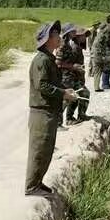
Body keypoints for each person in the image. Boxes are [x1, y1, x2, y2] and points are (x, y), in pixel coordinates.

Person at [27, 20, 79, 195]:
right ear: (48, 39)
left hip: (48, 111)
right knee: (39, 150)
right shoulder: (42, 60)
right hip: (42, 112)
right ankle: (32, 186)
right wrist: (63, 94)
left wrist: (65, 90)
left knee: (46, 150)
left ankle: (38, 182)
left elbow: (52, 83)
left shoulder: (48, 58)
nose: (59, 37)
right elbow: (43, 86)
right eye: (56, 34)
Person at [55, 24, 91, 125]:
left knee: (82, 94)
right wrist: (73, 67)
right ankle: (57, 122)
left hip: (72, 76)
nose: (85, 37)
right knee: (66, 99)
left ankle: (74, 117)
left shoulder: (71, 44)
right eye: (73, 31)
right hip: (65, 77)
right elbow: (58, 63)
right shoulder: (64, 45)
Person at [90, 15, 110, 91]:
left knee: (103, 67)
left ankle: (104, 84)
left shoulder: (107, 29)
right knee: (106, 66)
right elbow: (107, 41)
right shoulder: (108, 29)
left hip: (104, 51)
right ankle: (105, 84)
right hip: (107, 51)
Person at [86, 21, 102, 92]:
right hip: (92, 46)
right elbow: (92, 39)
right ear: (96, 25)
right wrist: (92, 47)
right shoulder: (93, 31)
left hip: (92, 46)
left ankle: (91, 72)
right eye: (98, 25)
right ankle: (90, 72)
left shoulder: (93, 30)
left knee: (91, 59)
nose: (99, 26)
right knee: (91, 59)